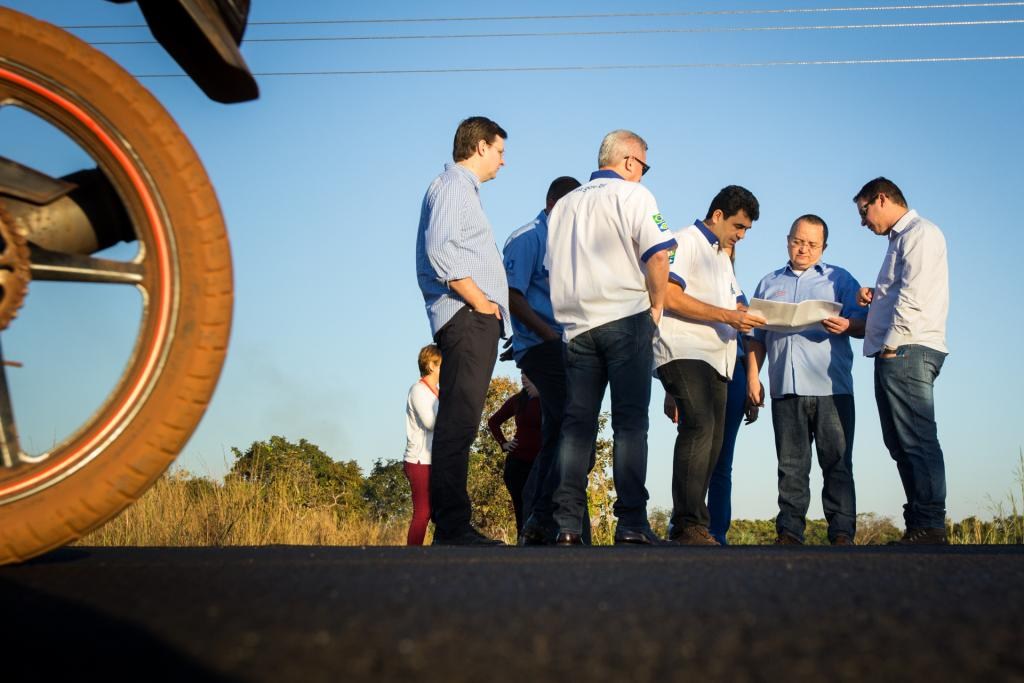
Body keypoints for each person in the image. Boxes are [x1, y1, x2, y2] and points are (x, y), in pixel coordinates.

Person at [546, 129, 675, 546]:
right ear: (630, 162)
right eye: (644, 166)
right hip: (625, 317)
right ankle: (632, 522)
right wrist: (656, 306)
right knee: (630, 423)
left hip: (577, 327)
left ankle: (566, 524)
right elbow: (658, 254)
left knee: (576, 426)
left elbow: (553, 267)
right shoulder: (637, 196)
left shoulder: (563, 206)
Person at [415, 116, 511, 546]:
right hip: (467, 318)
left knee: (462, 421)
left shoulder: (460, 190)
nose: (503, 162)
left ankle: (452, 525)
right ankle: (452, 526)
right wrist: (480, 301)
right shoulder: (454, 186)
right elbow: (441, 250)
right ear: (479, 148)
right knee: (459, 423)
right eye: (500, 151)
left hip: (471, 319)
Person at [745, 214, 867, 546]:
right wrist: (752, 378)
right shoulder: (768, 283)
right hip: (785, 386)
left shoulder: (840, 280)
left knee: (837, 462)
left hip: (832, 388)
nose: (804, 249)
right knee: (790, 466)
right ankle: (789, 532)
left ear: (823, 247)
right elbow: (756, 336)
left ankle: (842, 533)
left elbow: (867, 323)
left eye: (812, 244)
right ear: (788, 240)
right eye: (798, 241)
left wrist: (848, 326)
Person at [654, 186, 766, 546]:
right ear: (717, 215)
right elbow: (668, 295)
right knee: (699, 427)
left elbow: (738, 305)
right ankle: (688, 523)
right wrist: (726, 316)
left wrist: (768, 317)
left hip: (719, 358)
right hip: (684, 350)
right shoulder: (682, 242)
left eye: (747, 230)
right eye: (739, 226)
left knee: (714, 442)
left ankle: (691, 523)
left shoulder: (722, 256)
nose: (741, 235)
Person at [854, 178, 949, 545]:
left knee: (917, 439)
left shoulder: (920, 234)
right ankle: (920, 525)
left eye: (864, 212)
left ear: (881, 199)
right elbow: (899, 292)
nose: (863, 222)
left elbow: (914, 295)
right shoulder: (900, 239)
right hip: (898, 351)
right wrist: (875, 297)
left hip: (907, 350)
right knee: (900, 441)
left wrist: (892, 346)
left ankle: (929, 525)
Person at [501, 175, 585, 545]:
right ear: (558, 204)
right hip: (542, 345)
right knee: (571, 424)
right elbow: (512, 295)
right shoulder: (527, 238)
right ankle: (542, 516)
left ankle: (542, 524)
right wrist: (548, 335)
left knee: (561, 433)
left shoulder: (571, 245)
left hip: (566, 345)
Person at [486, 374, 542, 534]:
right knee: (521, 508)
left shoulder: (550, 399)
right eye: (522, 373)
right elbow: (493, 421)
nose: (523, 377)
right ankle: (522, 544)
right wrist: (504, 443)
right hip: (517, 464)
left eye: (528, 372)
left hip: (540, 464)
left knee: (538, 507)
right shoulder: (518, 400)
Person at [403, 344, 442, 546]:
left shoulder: (436, 391)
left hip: (433, 459)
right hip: (419, 460)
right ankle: (412, 553)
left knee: (438, 509)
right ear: (431, 365)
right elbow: (430, 423)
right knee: (423, 511)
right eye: (443, 364)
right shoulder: (418, 390)